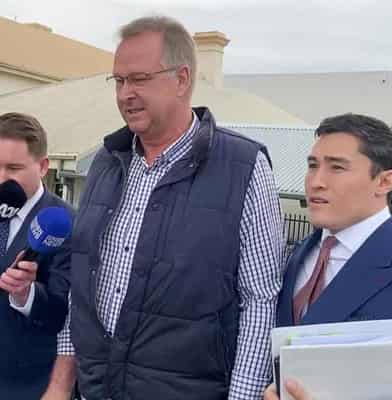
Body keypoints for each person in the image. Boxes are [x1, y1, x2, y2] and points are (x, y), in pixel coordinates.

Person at [43, 15, 283, 400]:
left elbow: (259, 300)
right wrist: (60, 384)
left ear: (182, 79)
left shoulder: (243, 166)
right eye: (118, 81)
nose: (125, 94)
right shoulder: (107, 161)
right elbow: (81, 288)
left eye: (139, 79)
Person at [264, 113, 392, 399]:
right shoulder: (298, 255)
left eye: (337, 168)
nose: (316, 181)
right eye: (313, 166)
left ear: (385, 181)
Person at [0, 112, 73, 400]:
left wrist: (26, 295)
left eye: (13, 168)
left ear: (43, 166)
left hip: (28, 386)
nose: (1, 178)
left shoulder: (66, 224)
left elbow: (64, 315)